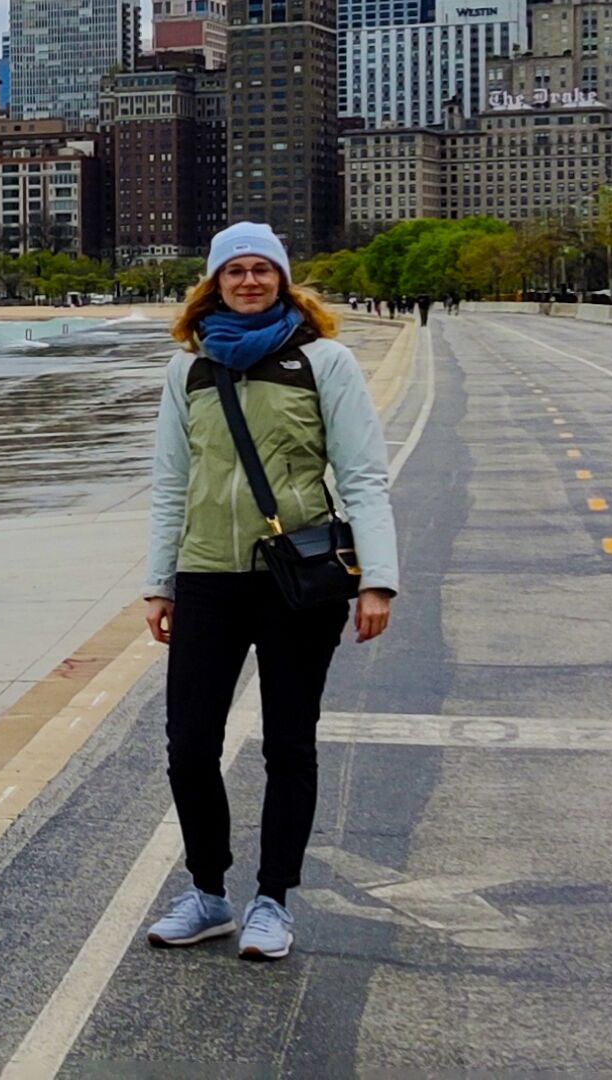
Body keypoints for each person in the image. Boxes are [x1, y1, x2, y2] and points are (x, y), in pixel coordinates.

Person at [141, 223, 401, 962]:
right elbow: (170, 484)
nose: (249, 282)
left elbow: (362, 476)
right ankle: (209, 893)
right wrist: (159, 583)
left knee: (289, 745)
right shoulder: (186, 372)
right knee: (189, 745)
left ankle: (273, 900)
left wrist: (377, 580)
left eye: (262, 271)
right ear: (213, 284)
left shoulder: (325, 362)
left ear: (283, 282)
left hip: (298, 579)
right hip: (207, 577)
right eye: (235, 272)